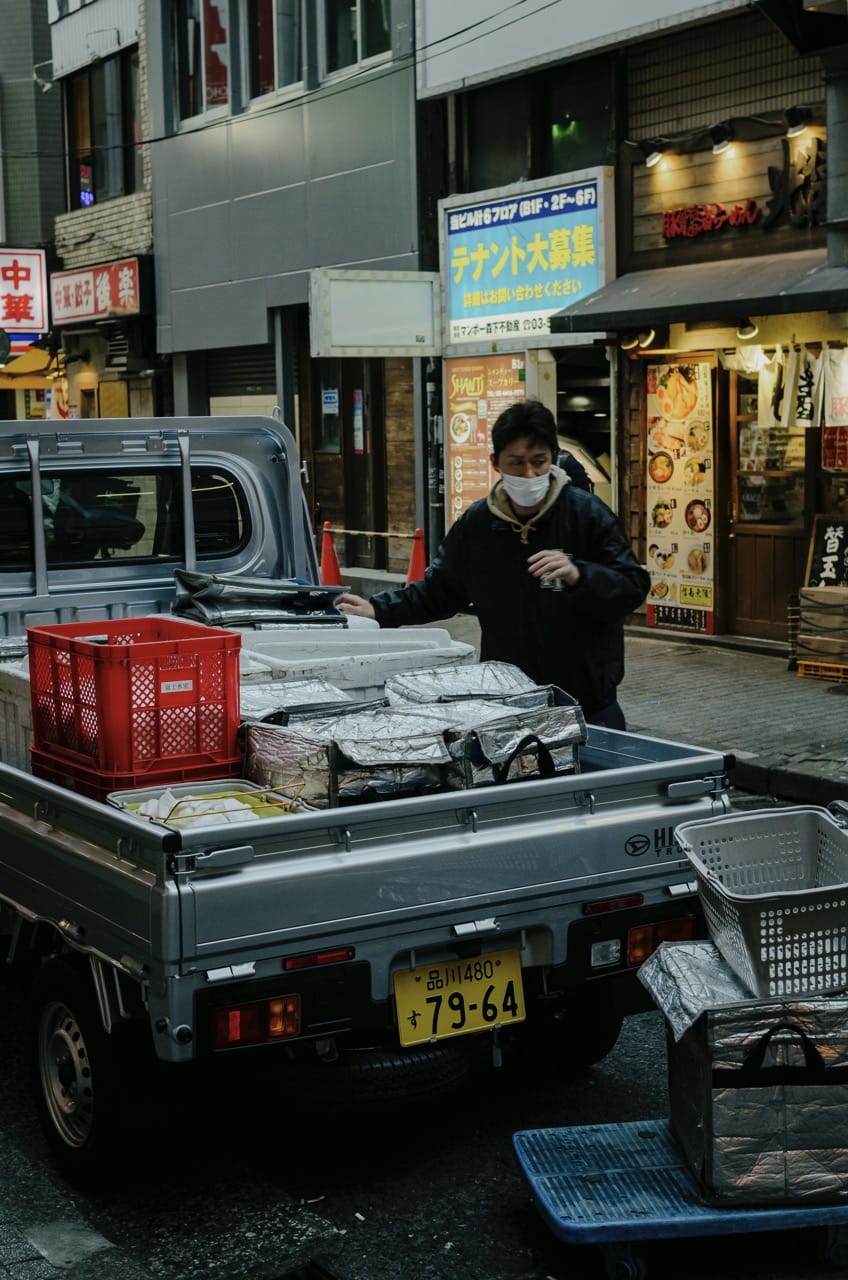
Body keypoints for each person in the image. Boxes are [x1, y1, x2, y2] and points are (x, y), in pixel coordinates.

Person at [337, 399, 650, 728]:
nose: (529, 474)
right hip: (507, 706)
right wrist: (379, 610)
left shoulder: (586, 515)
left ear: (553, 458)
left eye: (539, 462)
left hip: (587, 707)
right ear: (495, 462)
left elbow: (632, 586)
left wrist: (580, 575)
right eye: (516, 463)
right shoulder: (478, 524)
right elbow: (440, 591)